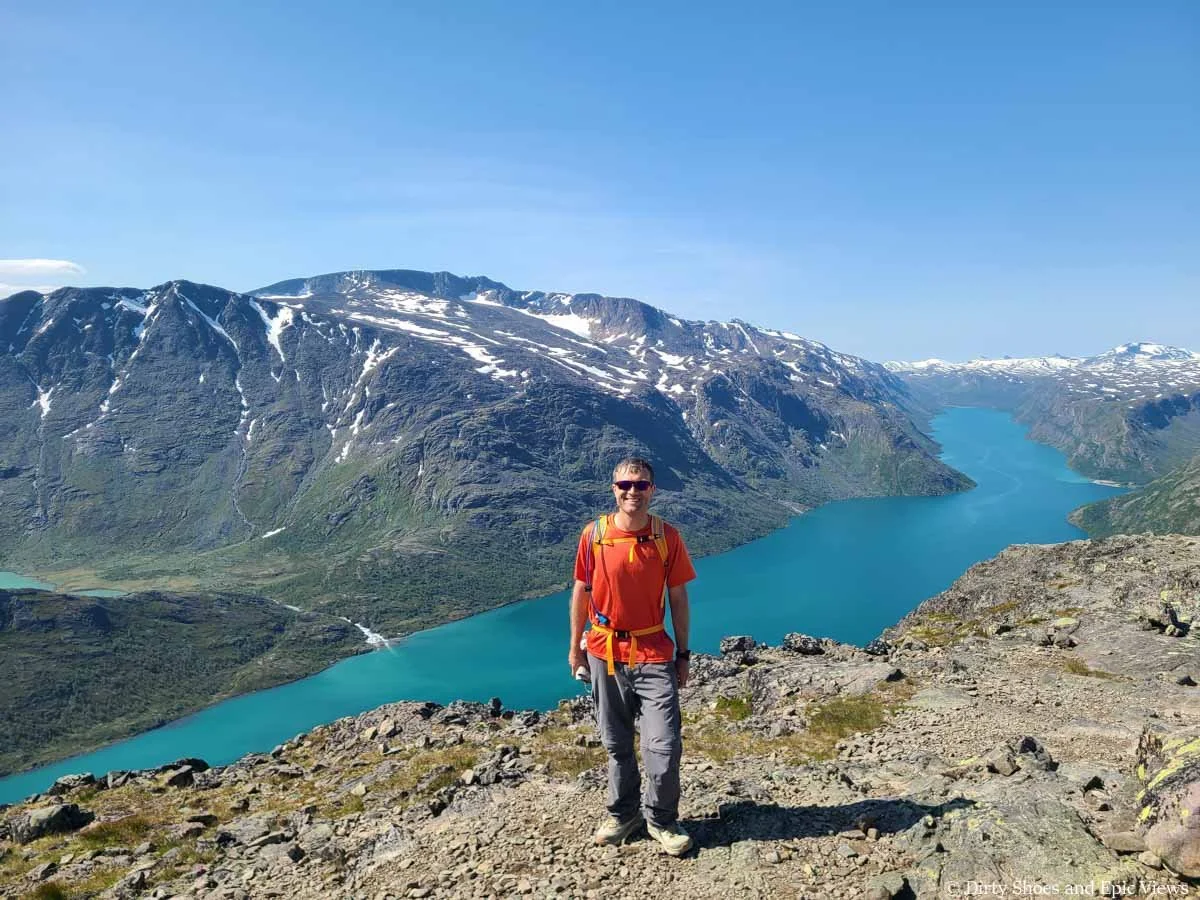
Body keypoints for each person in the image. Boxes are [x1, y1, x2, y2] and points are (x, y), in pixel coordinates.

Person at [568, 457, 697, 856]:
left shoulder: (666, 537)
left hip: (653, 653)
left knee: (663, 744)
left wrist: (683, 654)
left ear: (651, 490)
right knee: (616, 743)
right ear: (614, 489)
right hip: (604, 653)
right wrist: (576, 648)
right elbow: (581, 591)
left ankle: (661, 819)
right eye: (625, 484)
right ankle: (624, 815)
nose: (632, 492)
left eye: (641, 485)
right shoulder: (593, 536)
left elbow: (678, 596)